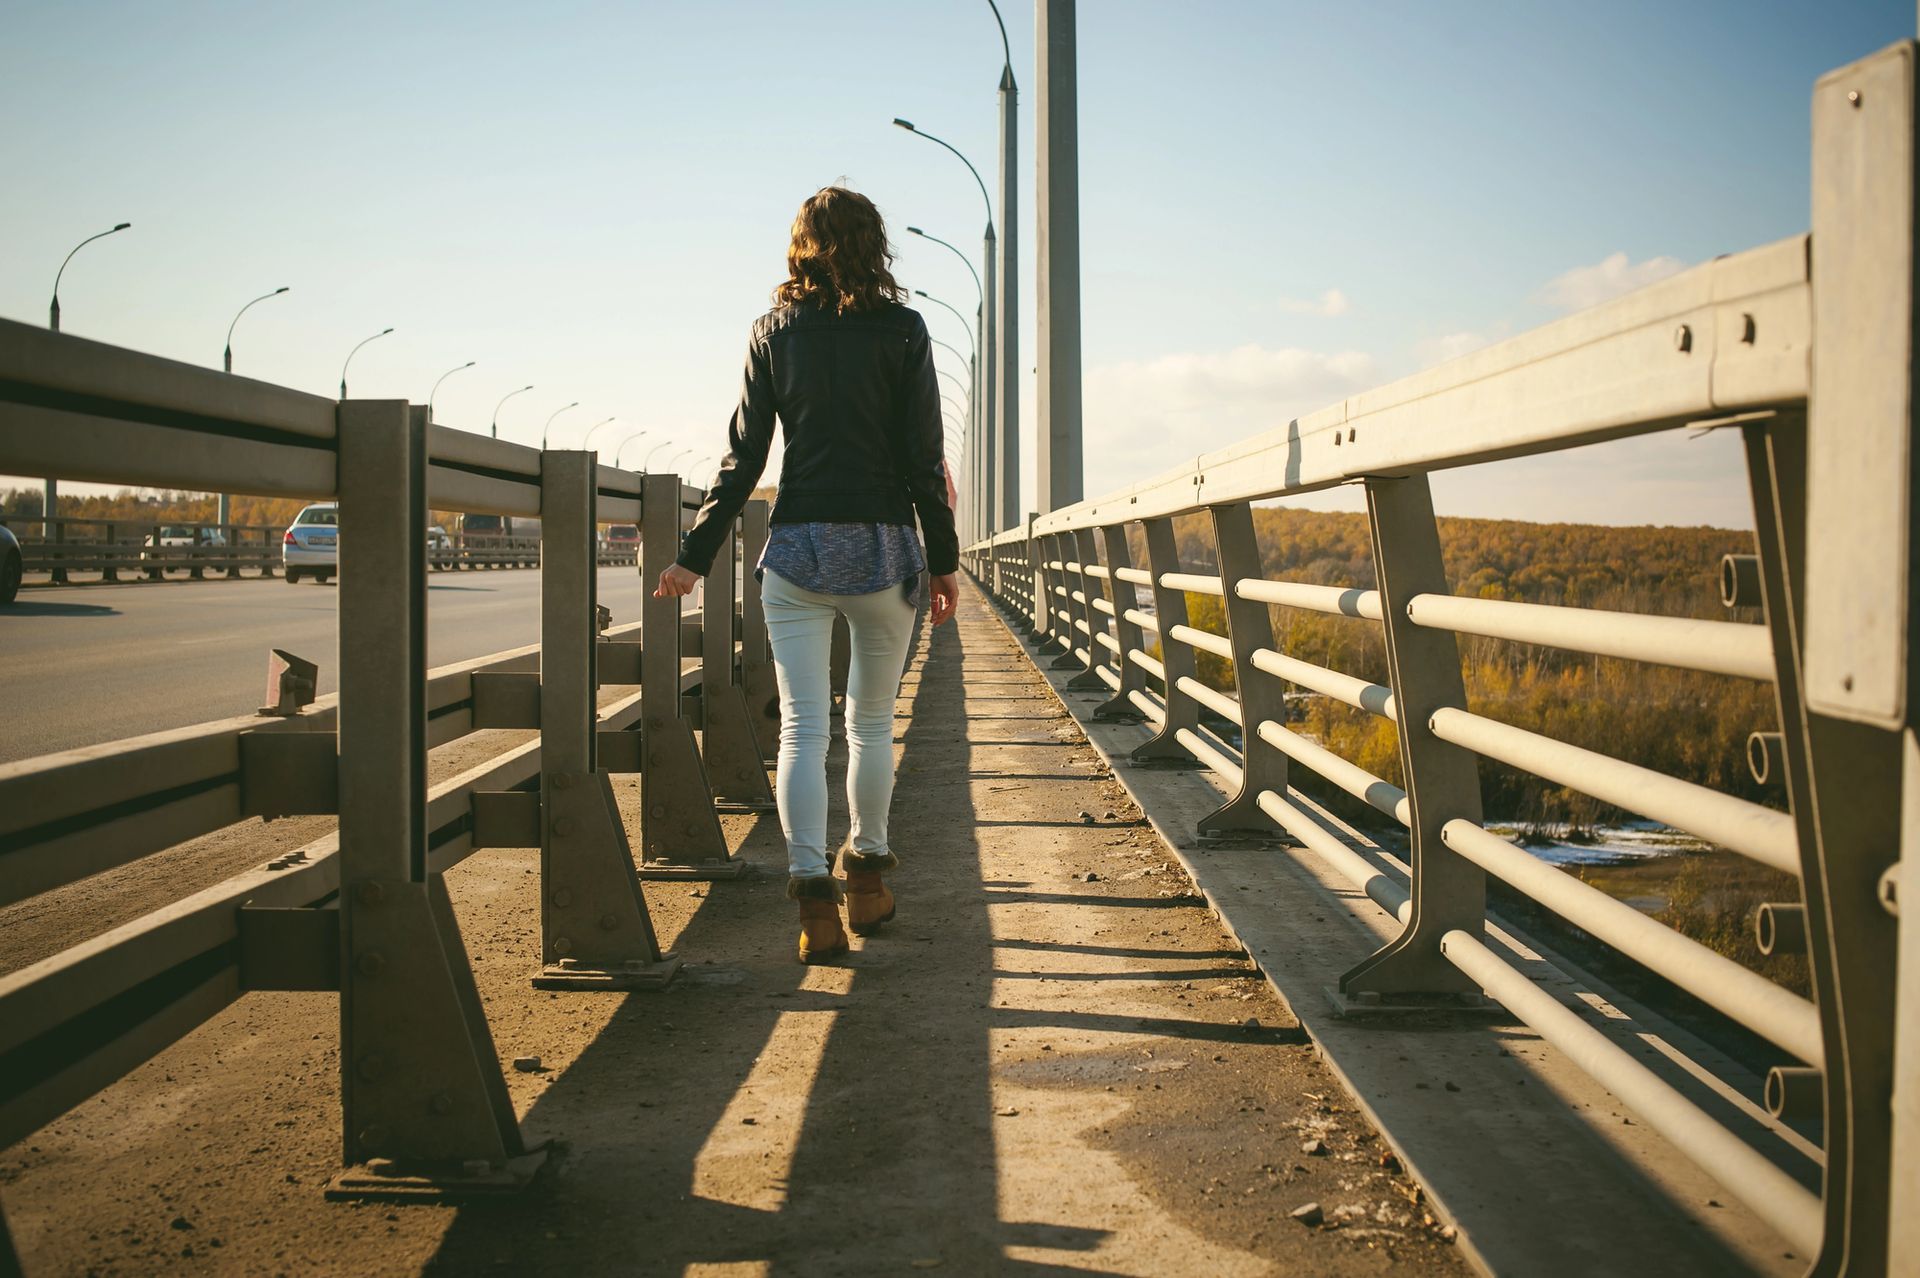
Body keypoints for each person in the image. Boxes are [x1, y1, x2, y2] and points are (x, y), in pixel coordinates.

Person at [654, 186, 959, 964]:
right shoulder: (904, 331)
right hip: (886, 549)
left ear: (801, 246)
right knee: (868, 724)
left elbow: (745, 459)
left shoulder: (773, 332)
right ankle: (865, 872)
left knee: (801, 726)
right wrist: (946, 563)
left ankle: (812, 897)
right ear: (874, 244)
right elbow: (925, 461)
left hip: (795, 549)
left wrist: (694, 557)